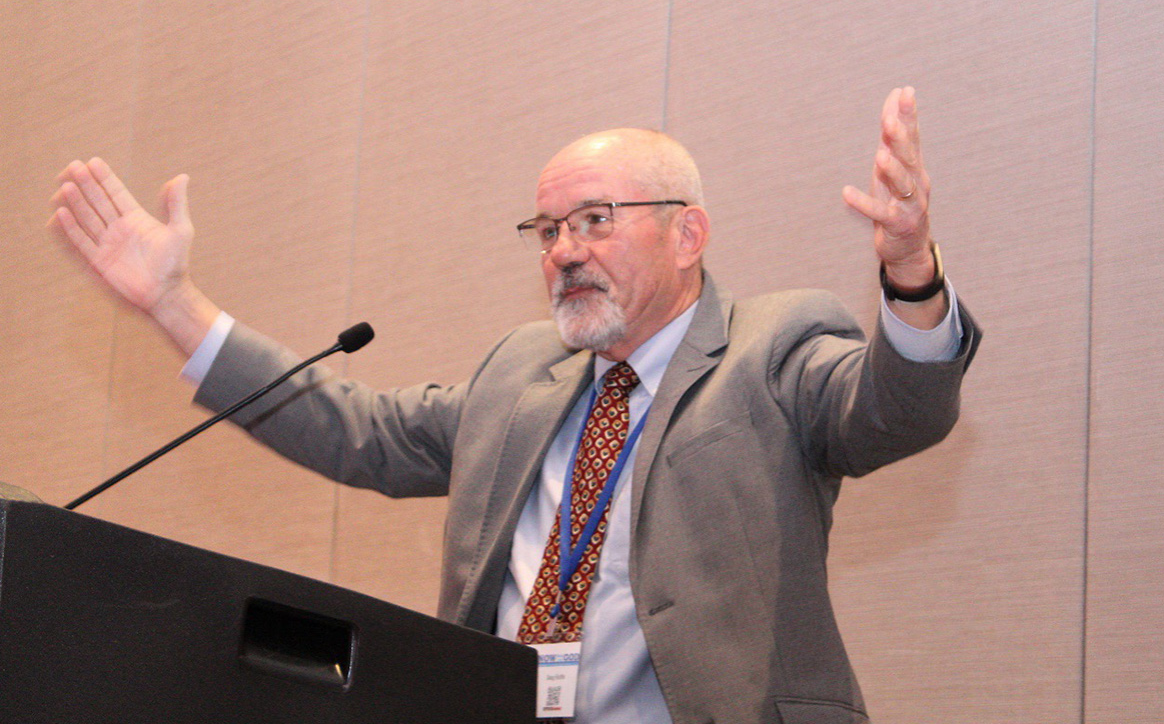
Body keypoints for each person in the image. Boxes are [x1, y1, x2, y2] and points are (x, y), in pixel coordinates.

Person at [50, 87, 979, 724]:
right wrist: (174, 304)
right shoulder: (519, 375)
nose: (564, 252)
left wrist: (910, 273)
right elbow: (356, 431)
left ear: (688, 233)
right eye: (548, 230)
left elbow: (894, 412)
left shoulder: (771, 348)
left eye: (596, 221)